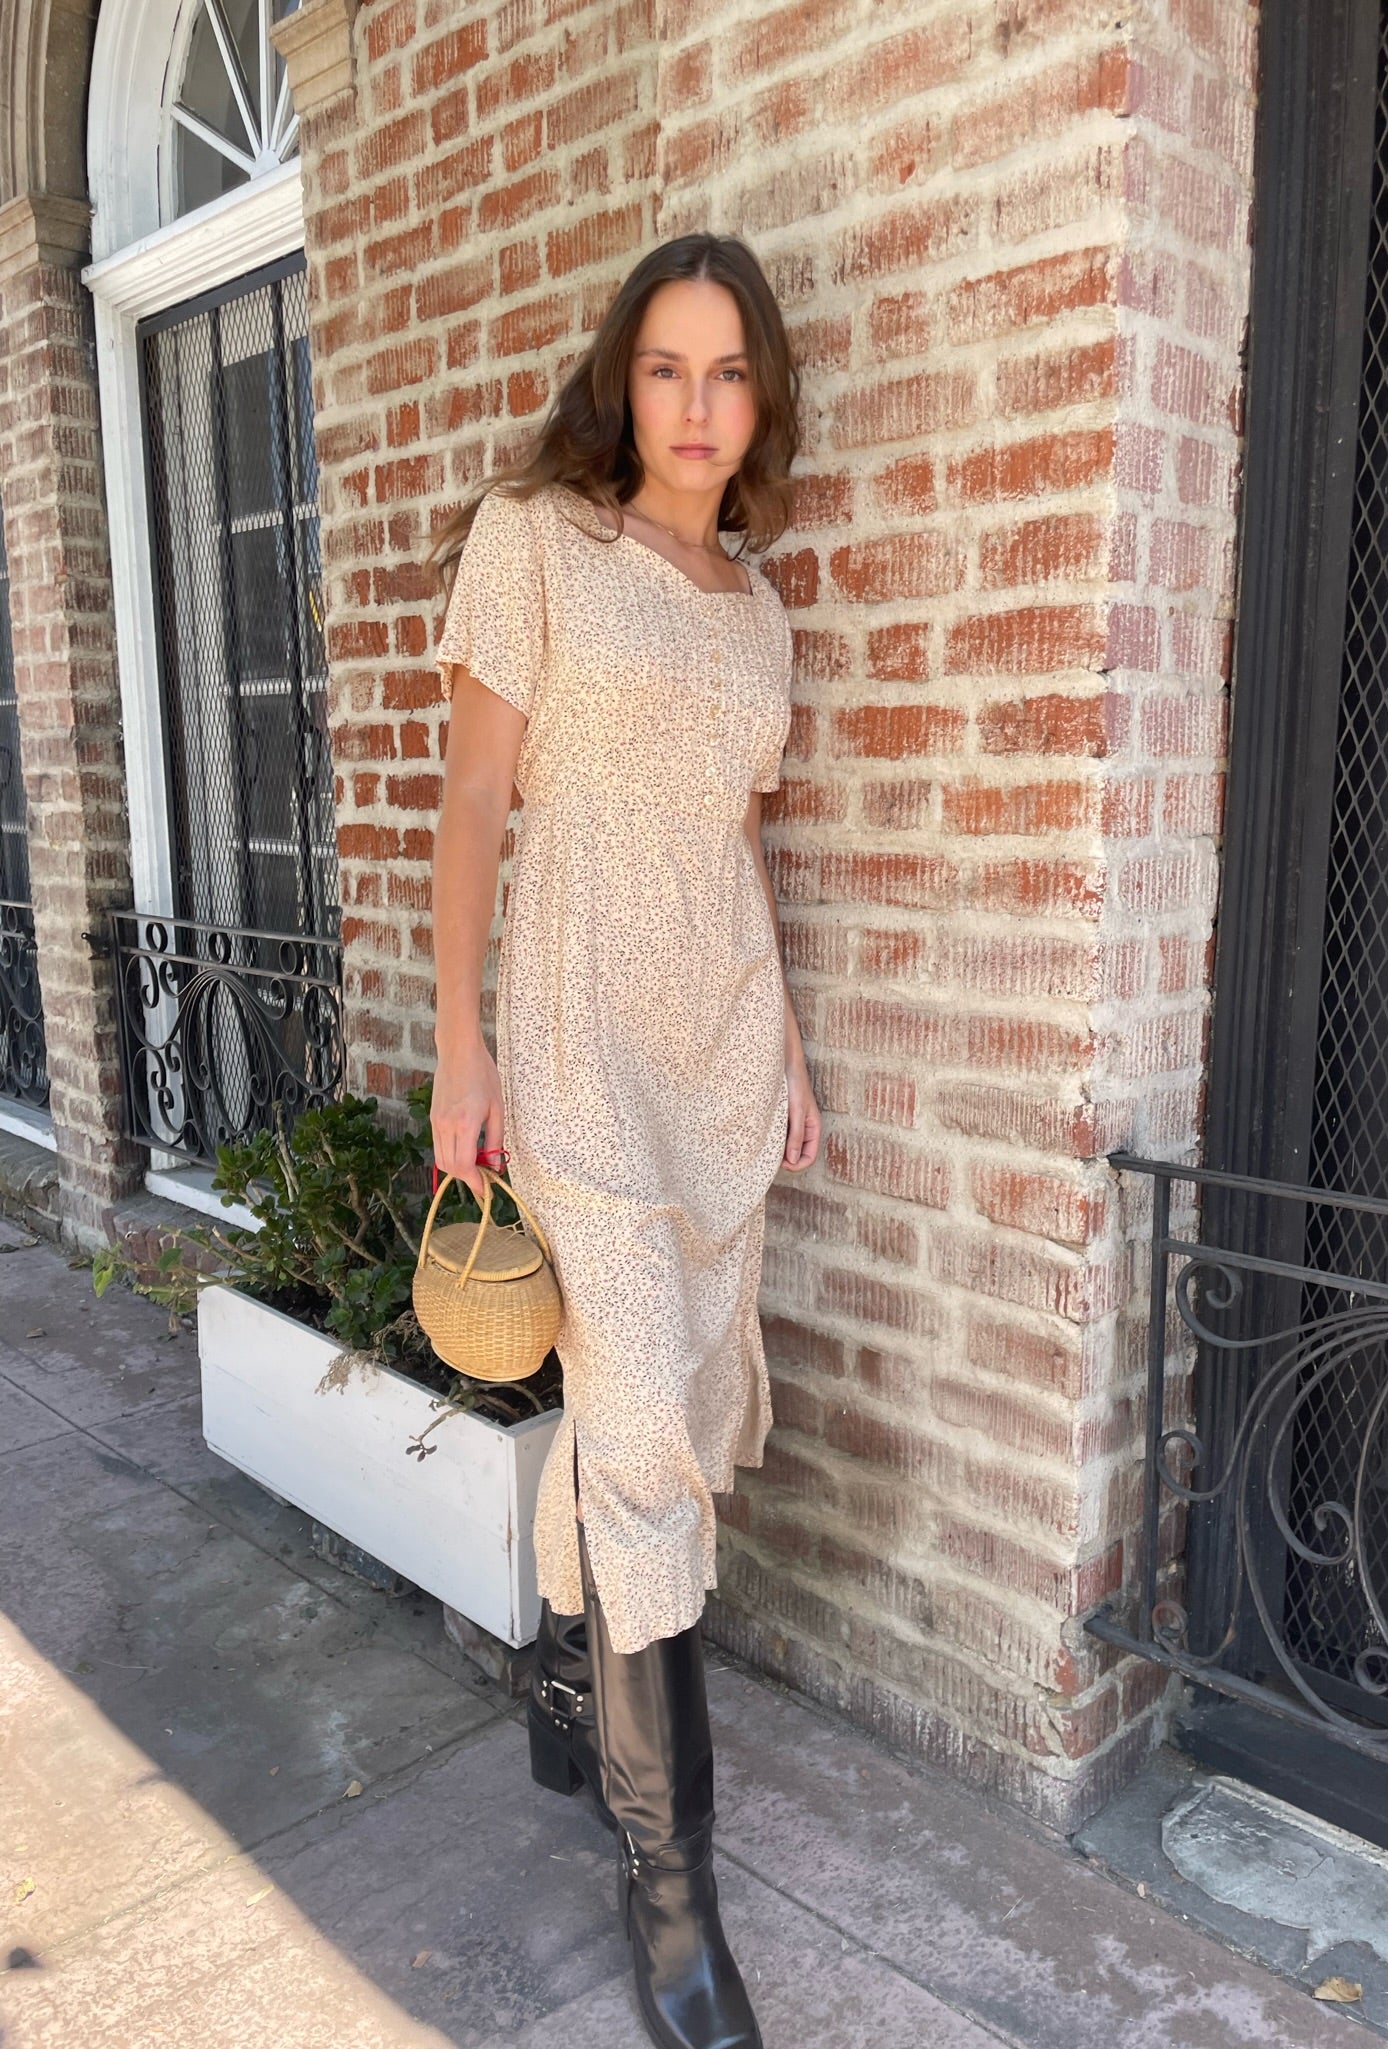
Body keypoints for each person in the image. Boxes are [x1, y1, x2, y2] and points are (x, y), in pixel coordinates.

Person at [427, 232, 821, 2049]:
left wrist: (790, 1043)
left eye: (727, 372)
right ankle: (674, 1901)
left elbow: (736, 840)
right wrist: (458, 1047)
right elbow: (482, 796)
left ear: (761, 402)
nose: (696, 404)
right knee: (649, 1424)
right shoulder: (540, 546)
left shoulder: (759, 609)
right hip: (579, 1029)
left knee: (659, 1414)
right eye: (666, 367)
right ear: (622, 380)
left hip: (719, 1033)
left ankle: (571, 1680)